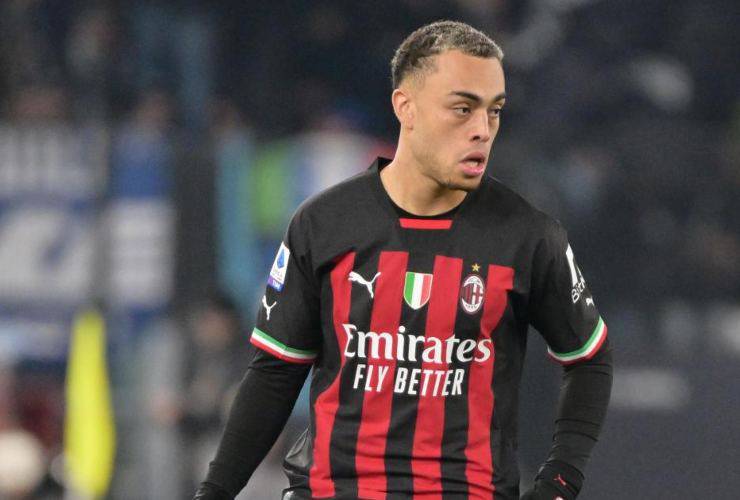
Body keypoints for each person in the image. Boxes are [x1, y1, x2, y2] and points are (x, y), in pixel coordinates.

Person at [195, 20, 613, 500]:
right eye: (463, 108)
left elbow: (589, 358)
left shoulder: (528, 236)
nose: (482, 130)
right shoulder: (323, 224)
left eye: (494, 110)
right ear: (405, 107)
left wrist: (560, 481)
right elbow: (275, 372)